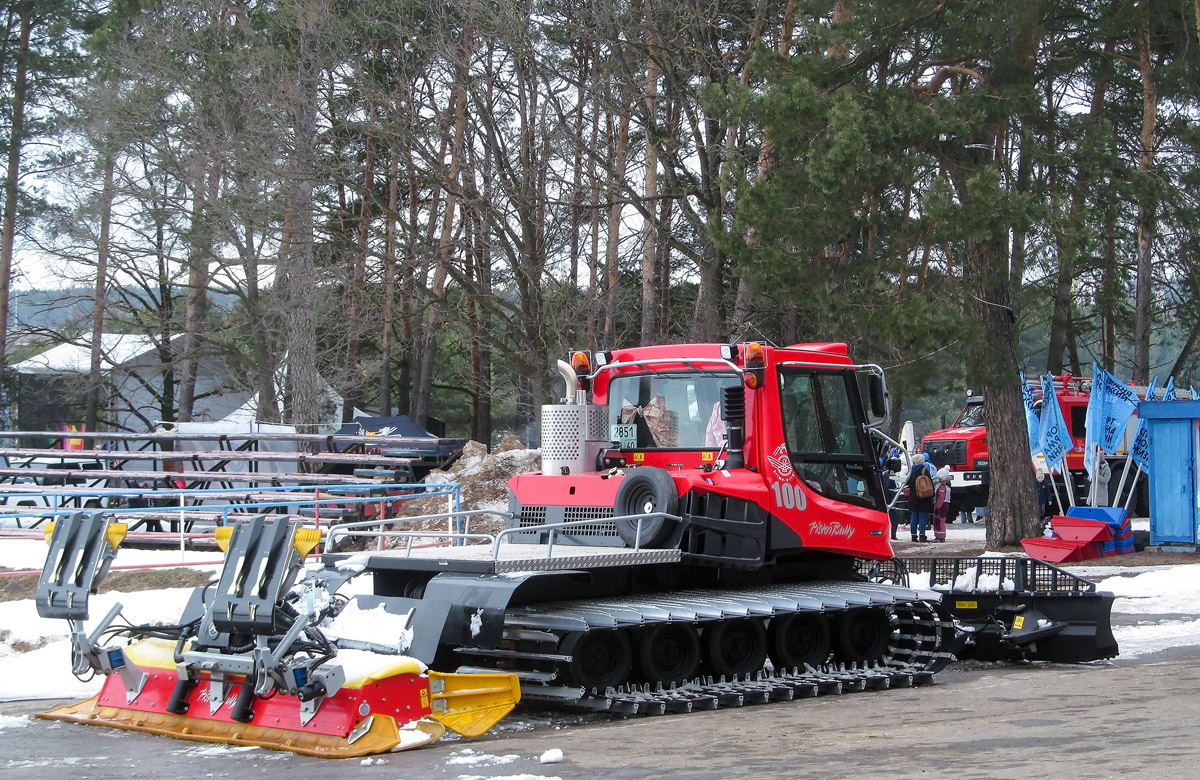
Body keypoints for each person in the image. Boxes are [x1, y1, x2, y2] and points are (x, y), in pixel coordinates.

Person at [906, 453, 934, 542]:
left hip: (913, 497)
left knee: (914, 516)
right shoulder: (924, 470)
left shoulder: (910, 471)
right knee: (922, 516)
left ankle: (913, 536)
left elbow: (907, 483)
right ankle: (922, 535)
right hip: (923, 496)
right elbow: (930, 483)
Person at [931, 466, 951, 543]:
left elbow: (940, 498)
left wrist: (937, 507)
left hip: (940, 507)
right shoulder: (946, 486)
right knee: (940, 521)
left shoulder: (941, 487)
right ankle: (940, 536)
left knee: (939, 521)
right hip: (944, 507)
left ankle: (939, 536)